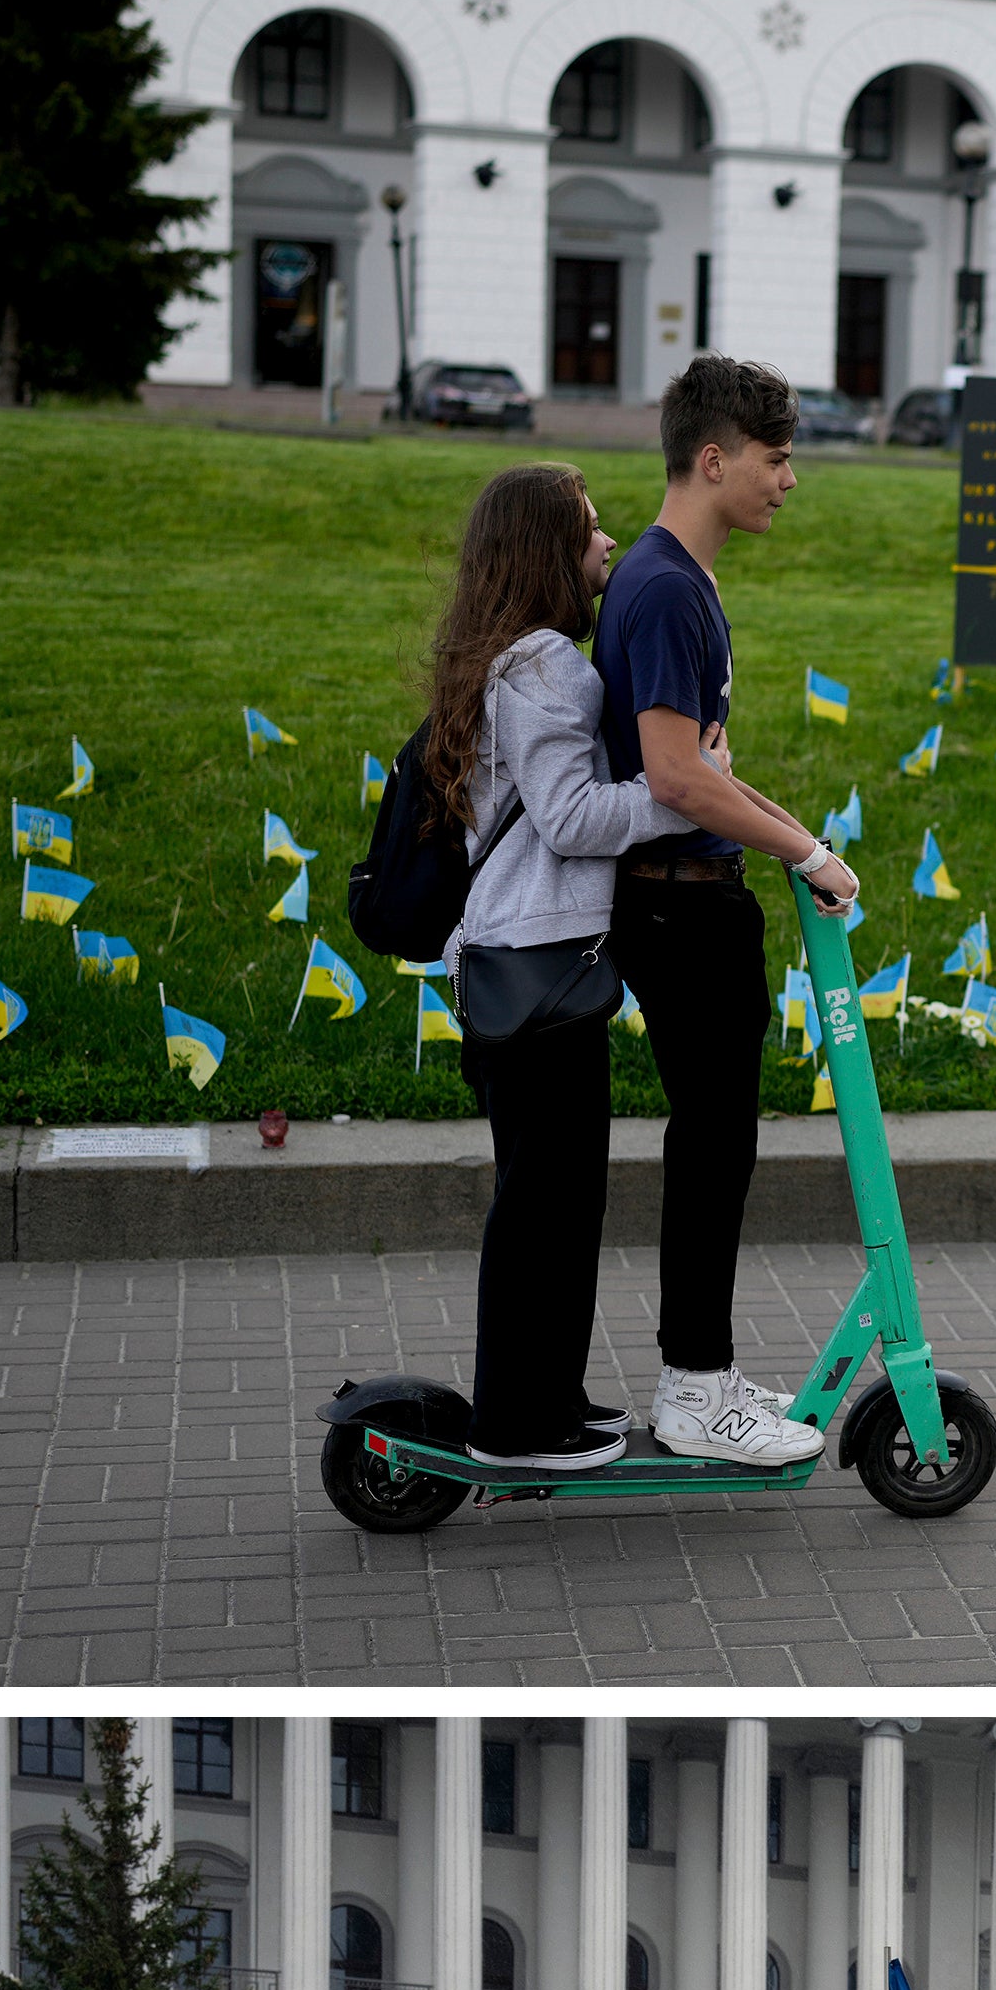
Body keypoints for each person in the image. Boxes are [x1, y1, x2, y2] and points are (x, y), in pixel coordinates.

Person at [596, 356, 863, 1467]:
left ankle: (698, 1373)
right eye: (776, 456)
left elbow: (707, 769)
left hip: (698, 898)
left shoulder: (676, 579)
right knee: (713, 1150)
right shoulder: (662, 588)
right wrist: (800, 844)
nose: (789, 480)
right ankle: (694, 1391)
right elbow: (672, 776)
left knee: (722, 1143)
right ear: (715, 459)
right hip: (678, 912)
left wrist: (803, 843)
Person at [424, 463, 664, 1475]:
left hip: (515, 963)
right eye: (591, 529)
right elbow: (570, 820)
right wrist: (687, 793)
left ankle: (550, 1400)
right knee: (542, 1209)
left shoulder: (503, 658)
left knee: (554, 1200)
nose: (608, 544)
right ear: (546, 552)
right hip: (537, 972)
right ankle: (518, 1426)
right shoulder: (543, 664)